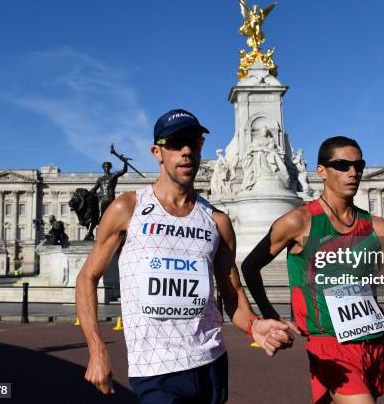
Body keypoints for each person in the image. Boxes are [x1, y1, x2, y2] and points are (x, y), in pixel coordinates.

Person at [76, 109, 292, 403]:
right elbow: (87, 277)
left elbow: (232, 294)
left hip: (211, 361)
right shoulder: (127, 209)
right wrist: (97, 349)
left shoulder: (218, 221)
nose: (187, 151)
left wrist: (255, 325)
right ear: (158, 152)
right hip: (156, 369)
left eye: (194, 142)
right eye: (176, 143)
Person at [242, 136, 384, 404]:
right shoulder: (298, 221)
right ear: (321, 172)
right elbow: (250, 265)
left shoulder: (379, 228)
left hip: (374, 339)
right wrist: (269, 313)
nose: (353, 172)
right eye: (343, 165)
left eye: (359, 165)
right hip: (328, 344)